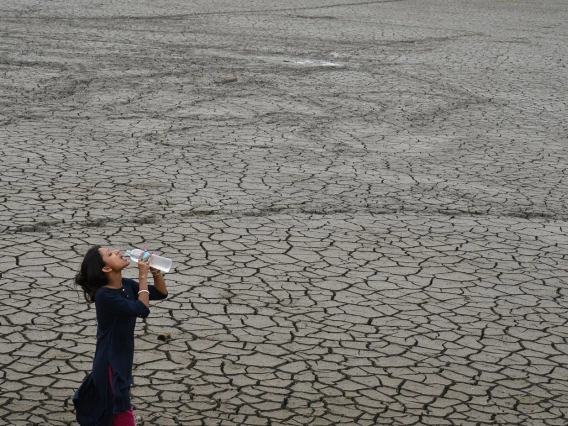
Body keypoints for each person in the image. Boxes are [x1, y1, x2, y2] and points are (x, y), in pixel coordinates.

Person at [73, 245, 168, 426]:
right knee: (120, 409)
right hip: (110, 362)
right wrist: (142, 275)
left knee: (114, 412)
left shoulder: (126, 285)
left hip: (121, 358)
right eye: (110, 254)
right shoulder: (104, 295)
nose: (117, 251)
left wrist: (156, 271)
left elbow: (160, 293)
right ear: (106, 268)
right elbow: (142, 309)